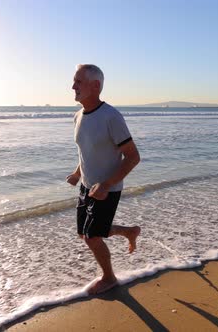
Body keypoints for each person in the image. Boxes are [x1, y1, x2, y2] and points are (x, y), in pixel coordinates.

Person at [66, 64, 141, 295]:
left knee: (92, 237)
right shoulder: (78, 116)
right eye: (74, 81)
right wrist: (78, 173)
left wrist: (107, 185)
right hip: (87, 186)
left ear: (95, 85)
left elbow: (132, 156)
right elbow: (86, 151)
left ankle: (109, 278)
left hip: (108, 188)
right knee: (84, 233)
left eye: (78, 82)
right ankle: (129, 231)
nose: (73, 86)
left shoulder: (111, 117)